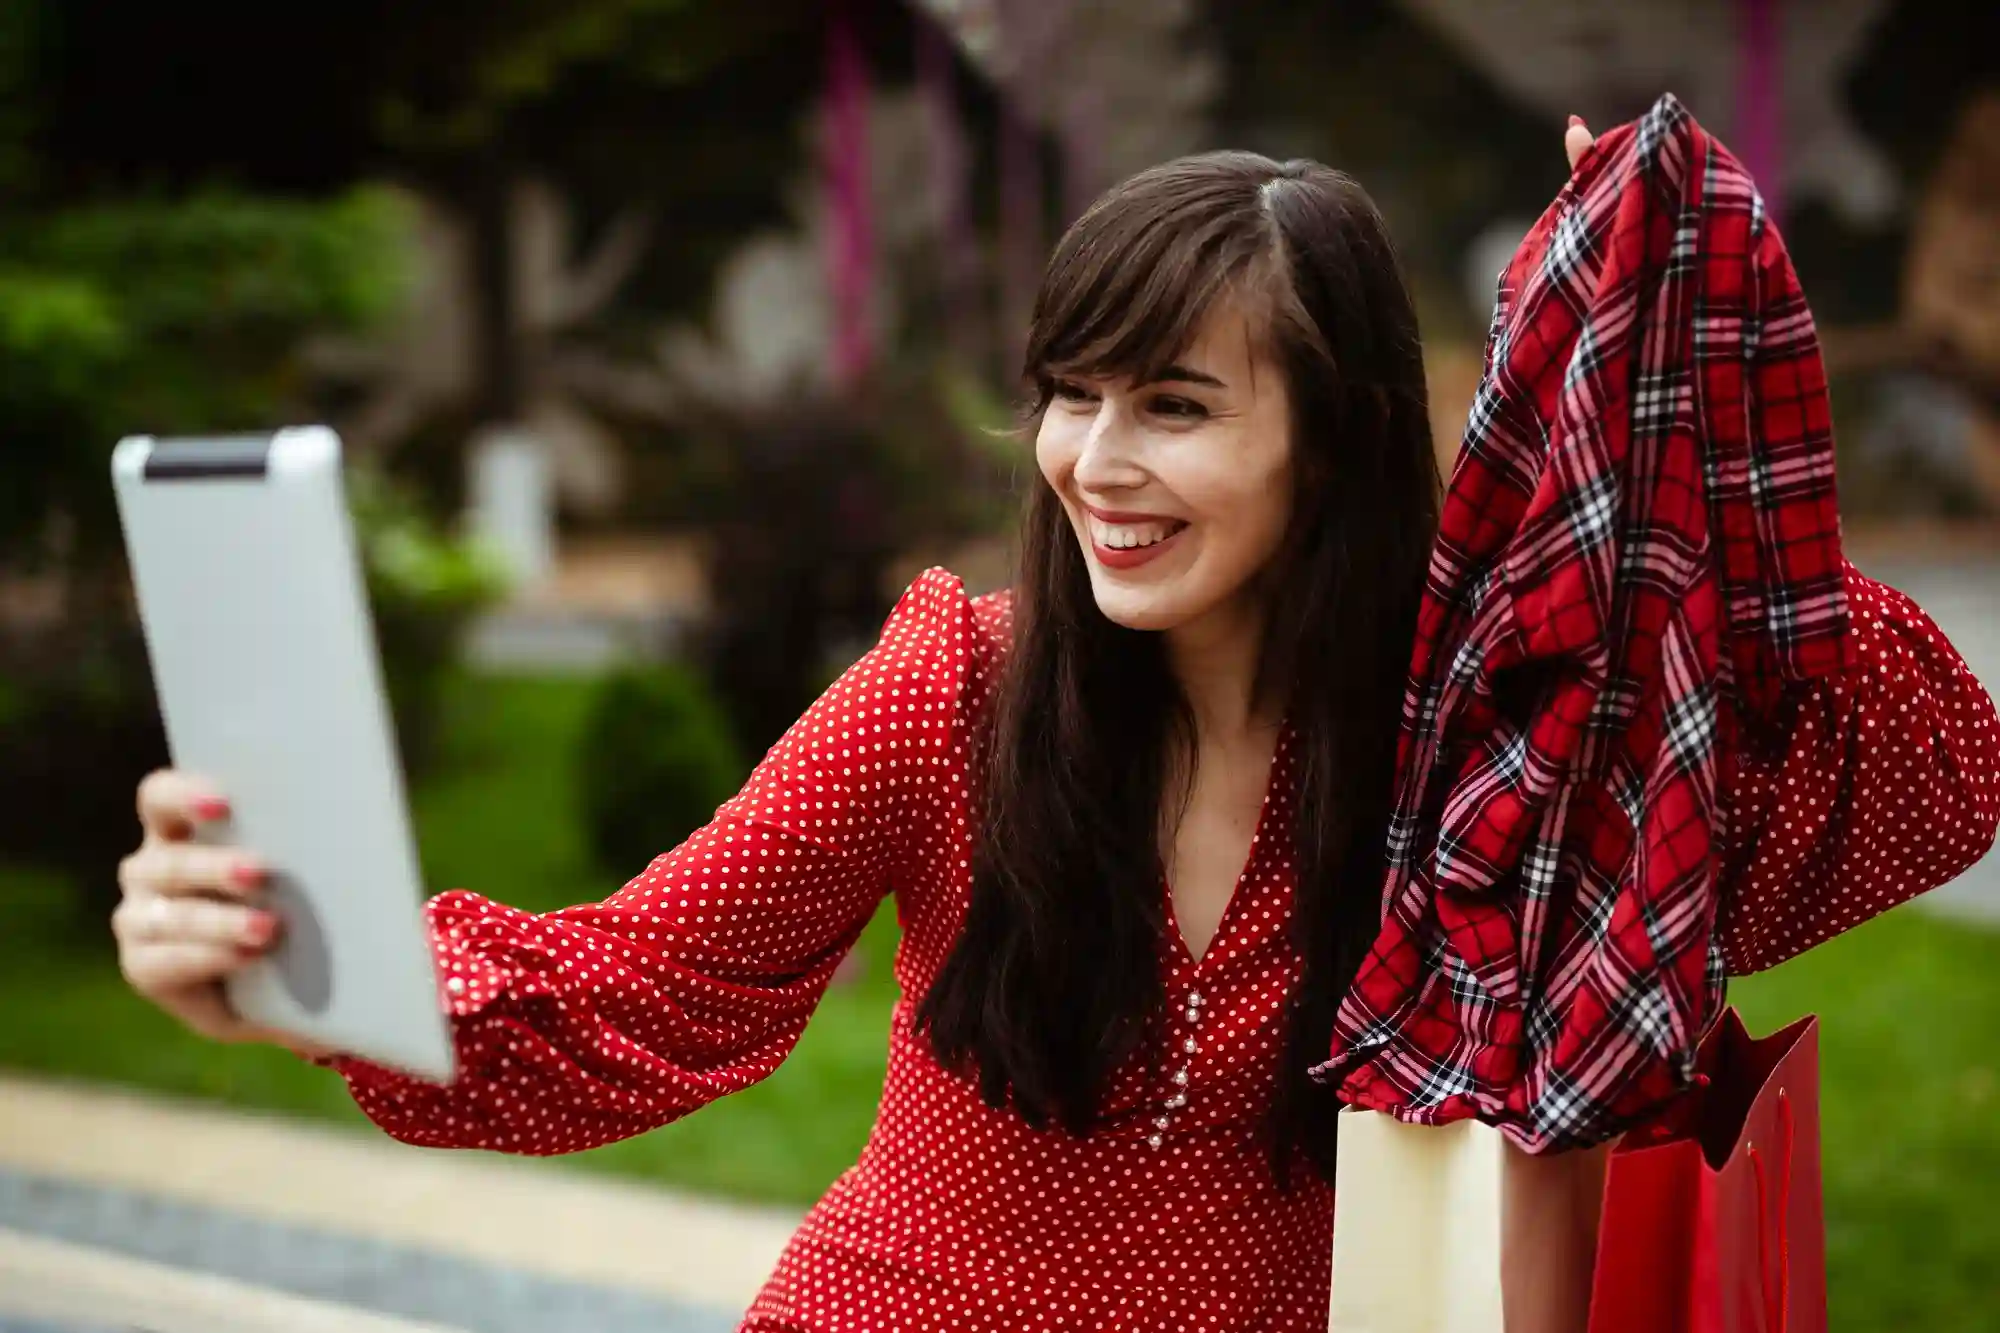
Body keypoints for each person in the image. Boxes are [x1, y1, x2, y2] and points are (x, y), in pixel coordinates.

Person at [110, 121, 1994, 1331]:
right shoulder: (958, 692)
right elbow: (640, 997)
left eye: (1174, 404)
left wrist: (1655, 355)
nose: (1095, 462)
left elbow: (1920, 769)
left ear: (1330, 438)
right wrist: (309, 968)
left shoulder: (1489, 758)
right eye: (1069, 395)